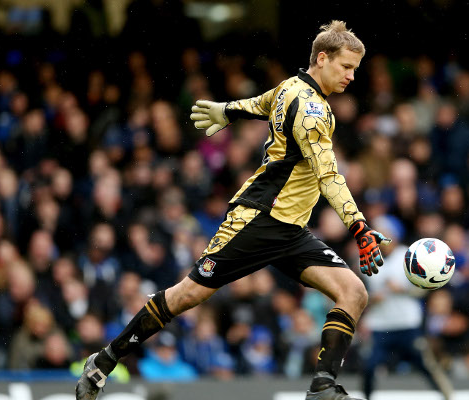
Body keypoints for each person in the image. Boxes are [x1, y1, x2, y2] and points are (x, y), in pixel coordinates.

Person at [76, 20, 391, 400]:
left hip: (290, 230)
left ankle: (323, 386)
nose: (352, 76)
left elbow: (261, 103)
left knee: (353, 292)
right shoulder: (311, 111)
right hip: (258, 219)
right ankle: (105, 360)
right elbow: (329, 175)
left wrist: (227, 110)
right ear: (322, 58)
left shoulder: (292, 88)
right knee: (187, 295)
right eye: (346, 67)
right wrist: (358, 227)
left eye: (355, 69)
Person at [359, 215, 453, 400]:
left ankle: (449, 396)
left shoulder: (410, 256)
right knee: (369, 367)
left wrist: (403, 290)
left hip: (407, 324)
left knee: (427, 366)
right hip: (381, 325)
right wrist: (370, 300)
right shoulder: (365, 258)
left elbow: (426, 289)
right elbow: (359, 293)